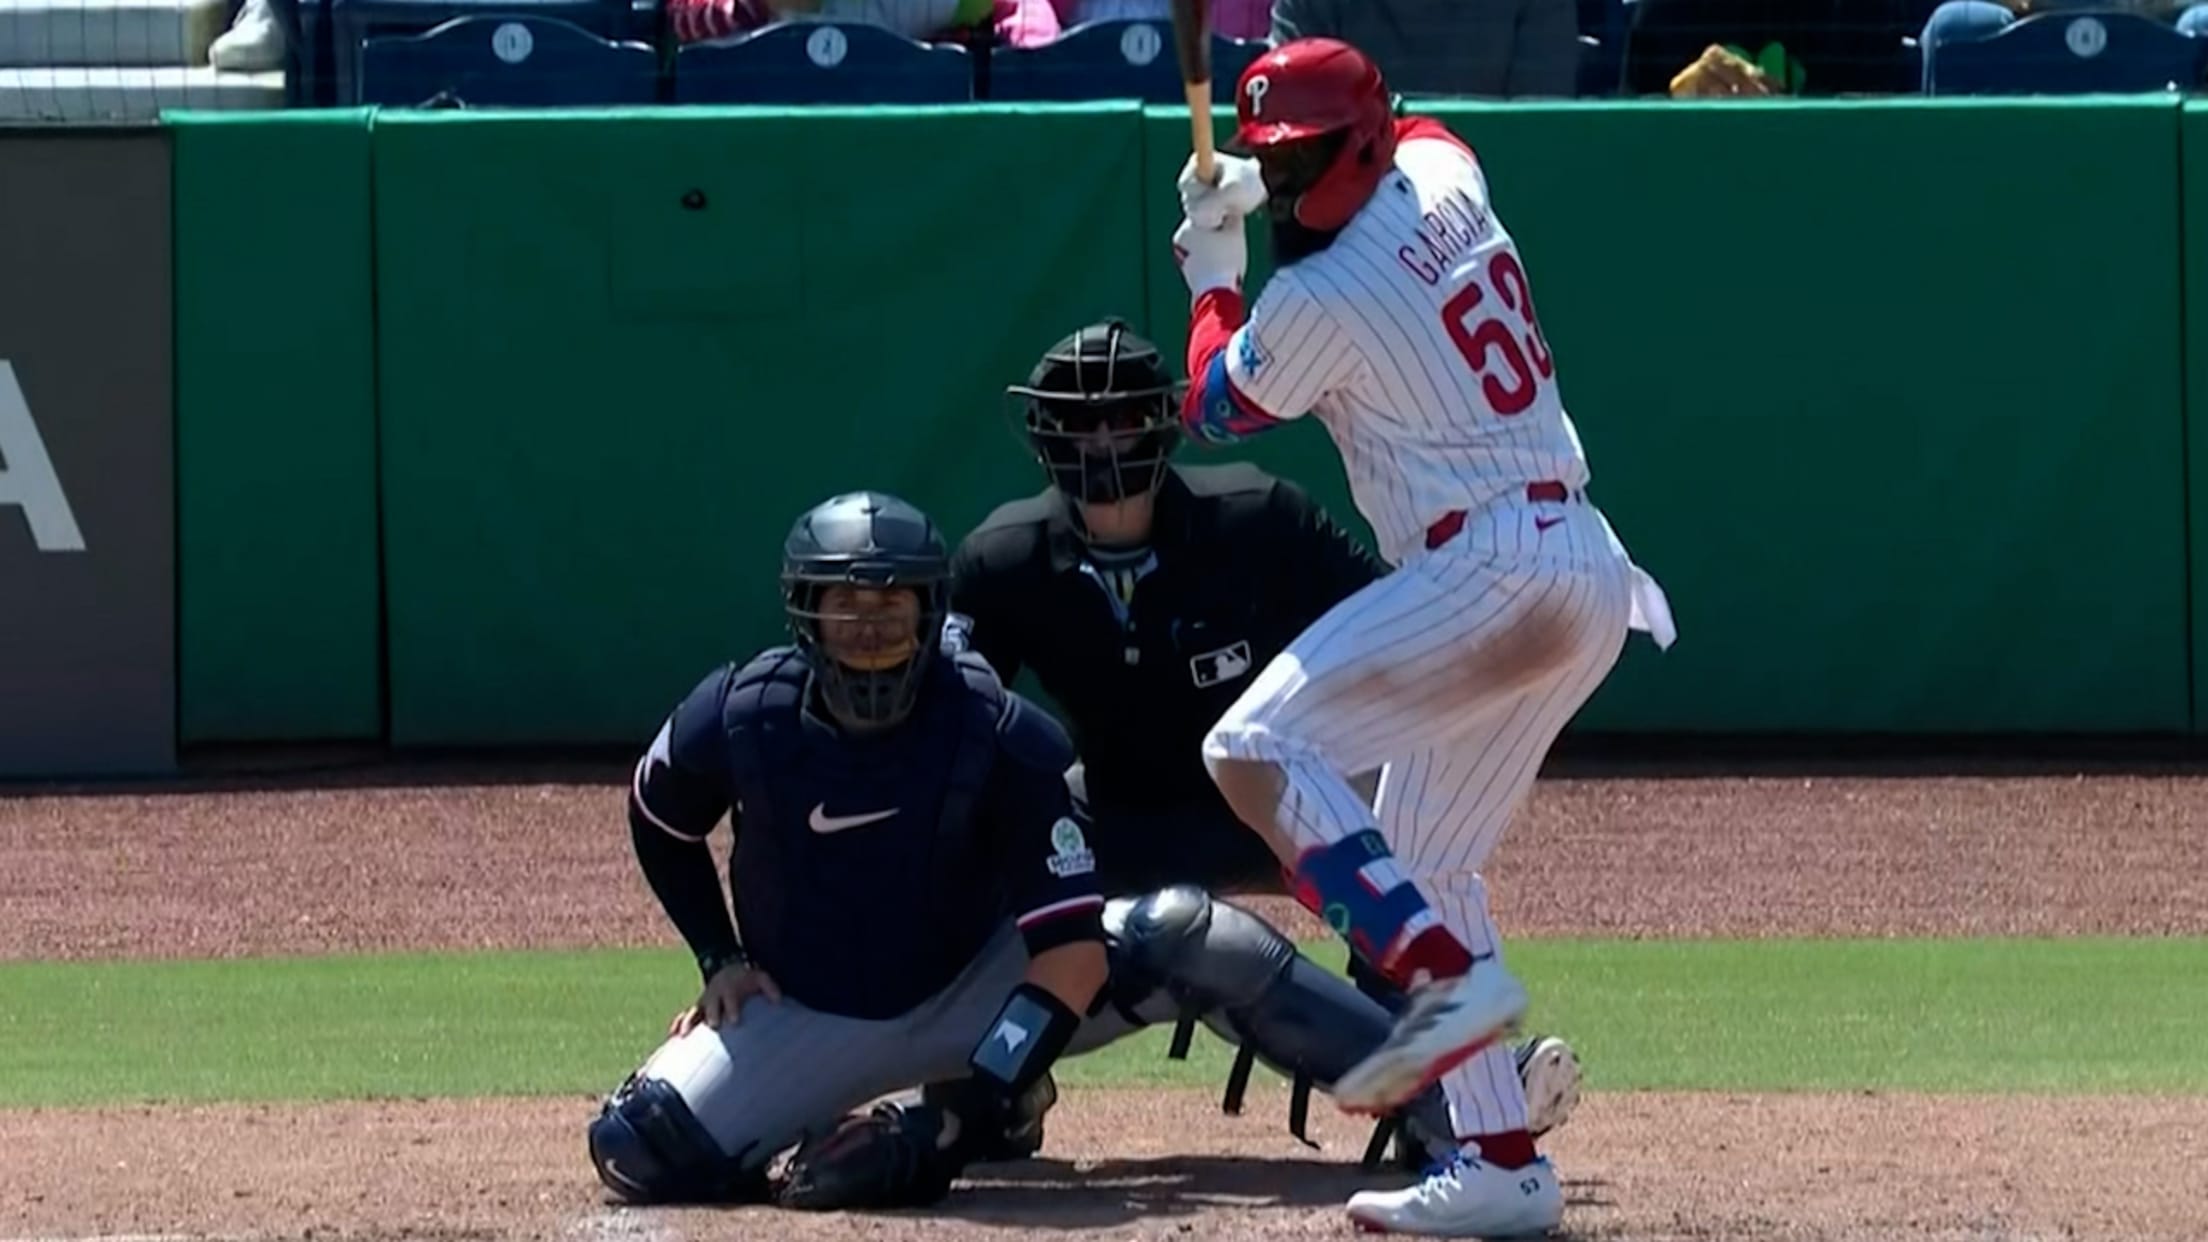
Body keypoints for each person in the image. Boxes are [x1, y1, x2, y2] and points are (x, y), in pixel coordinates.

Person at [585, 490, 1457, 1211]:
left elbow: (1071, 960)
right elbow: (658, 817)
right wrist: (719, 959)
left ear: (933, 618)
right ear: (803, 618)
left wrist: (955, 1124)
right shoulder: (740, 714)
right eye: (847, 616)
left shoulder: (997, 733)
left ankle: (1450, 1098)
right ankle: (866, 1109)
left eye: (892, 617)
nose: (870, 640)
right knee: (640, 1150)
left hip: (979, 981)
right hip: (808, 1010)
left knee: (1192, 934)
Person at [1169, 37, 1677, 1237]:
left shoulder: (1323, 297)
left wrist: (1210, 270)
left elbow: (1212, 404)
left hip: (1493, 570)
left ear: (1358, 143)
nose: (1285, 190)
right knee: (1425, 856)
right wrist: (1259, 183)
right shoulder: (1442, 177)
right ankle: (1501, 1164)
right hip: (1584, 571)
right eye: (1269, 168)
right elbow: (1436, 129)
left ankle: (1453, 985)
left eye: (1297, 168)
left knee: (1247, 750)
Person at [950, 316, 1584, 1148]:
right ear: (1043, 434)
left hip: (1262, 791)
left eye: (1123, 418)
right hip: (1113, 807)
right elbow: (953, 731)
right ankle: (994, 1075)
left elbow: (1394, 634)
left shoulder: (1257, 519)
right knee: (967, 850)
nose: (1102, 443)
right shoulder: (1004, 560)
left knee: (1390, 823)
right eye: (1078, 422)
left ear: (1164, 422)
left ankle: (1448, 1077)